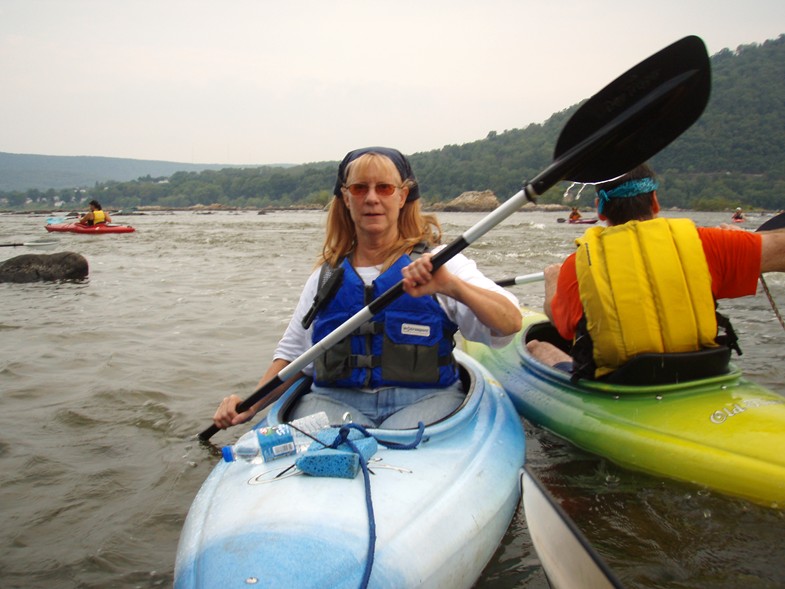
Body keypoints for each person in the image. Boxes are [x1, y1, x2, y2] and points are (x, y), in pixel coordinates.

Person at [214, 147, 522, 430]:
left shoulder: (440, 264)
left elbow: (510, 323)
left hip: (426, 401)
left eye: (384, 188)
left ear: (402, 196)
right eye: (360, 188)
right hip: (334, 403)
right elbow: (293, 357)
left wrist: (452, 287)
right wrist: (250, 404)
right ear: (346, 199)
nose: (371, 198)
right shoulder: (325, 277)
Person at [527, 163, 785, 380]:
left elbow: (562, 327)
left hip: (623, 382)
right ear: (655, 202)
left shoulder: (579, 265)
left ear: (600, 209)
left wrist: (553, 279)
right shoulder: (709, 243)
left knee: (536, 346)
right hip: (701, 372)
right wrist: (747, 241)